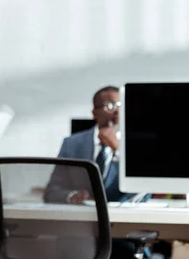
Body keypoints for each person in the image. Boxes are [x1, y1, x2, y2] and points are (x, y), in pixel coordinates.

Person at [45, 85, 140, 259]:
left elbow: (142, 192)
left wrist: (118, 150)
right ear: (95, 112)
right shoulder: (72, 144)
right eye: (111, 106)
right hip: (79, 233)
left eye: (121, 105)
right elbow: (51, 191)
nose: (117, 112)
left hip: (121, 234)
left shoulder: (134, 145)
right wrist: (72, 195)